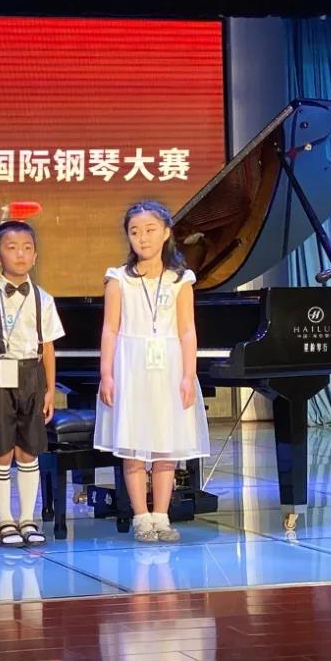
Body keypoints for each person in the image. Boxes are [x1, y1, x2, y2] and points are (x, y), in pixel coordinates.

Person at [94, 201, 210, 542]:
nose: (142, 238)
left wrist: (188, 375)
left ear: (166, 233)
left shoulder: (180, 279)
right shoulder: (119, 279)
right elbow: (110, 330)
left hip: (169, 368)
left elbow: (187, 330)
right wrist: (107, 374)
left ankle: (162, 516)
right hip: (131, 368)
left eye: (150, 230)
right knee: (134, 447)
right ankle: (141, 518)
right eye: (135, 232)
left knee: (165, 447)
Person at [0, 220, 64, 548]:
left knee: (29, 449)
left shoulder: (43, 299)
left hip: (32, 375)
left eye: (27, 248)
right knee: (1, 448)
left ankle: (27, 519)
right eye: (11, 248)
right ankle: (5, 520)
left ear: (35, 256)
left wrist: (50, 389)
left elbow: (48, 347)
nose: (20, 254)